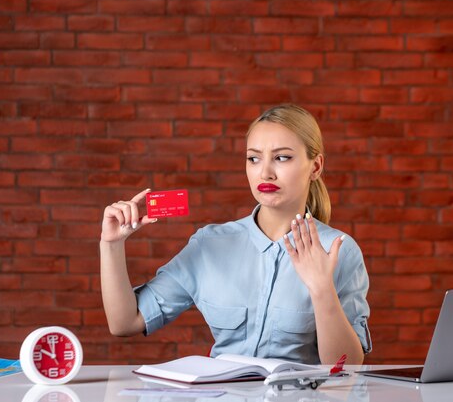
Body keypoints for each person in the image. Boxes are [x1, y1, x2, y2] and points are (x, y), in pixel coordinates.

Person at [100, 104, 371, 365]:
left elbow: (346, 366)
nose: (265, 172)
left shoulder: (338, 250)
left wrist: (322, 288)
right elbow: (126, 322)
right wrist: (111, 245)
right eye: (254, 158)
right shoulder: (210, 245)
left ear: (316, 167)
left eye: (282, 158)